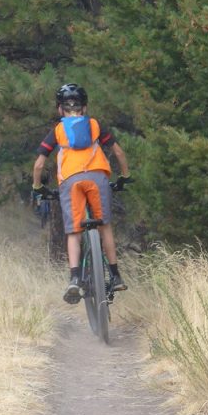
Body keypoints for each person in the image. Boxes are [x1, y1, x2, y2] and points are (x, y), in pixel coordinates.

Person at [32, 83, 131, 304]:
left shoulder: (57, 131)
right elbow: (118, 152)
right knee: (104, 226)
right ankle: (115, 276)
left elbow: (39, 165)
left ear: (60, 110)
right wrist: (124, 176)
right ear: (84, 108)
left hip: (71, 181)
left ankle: (75, 279)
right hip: (98, 178)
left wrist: (37, 187)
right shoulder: (95, 125)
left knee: (75, 232)